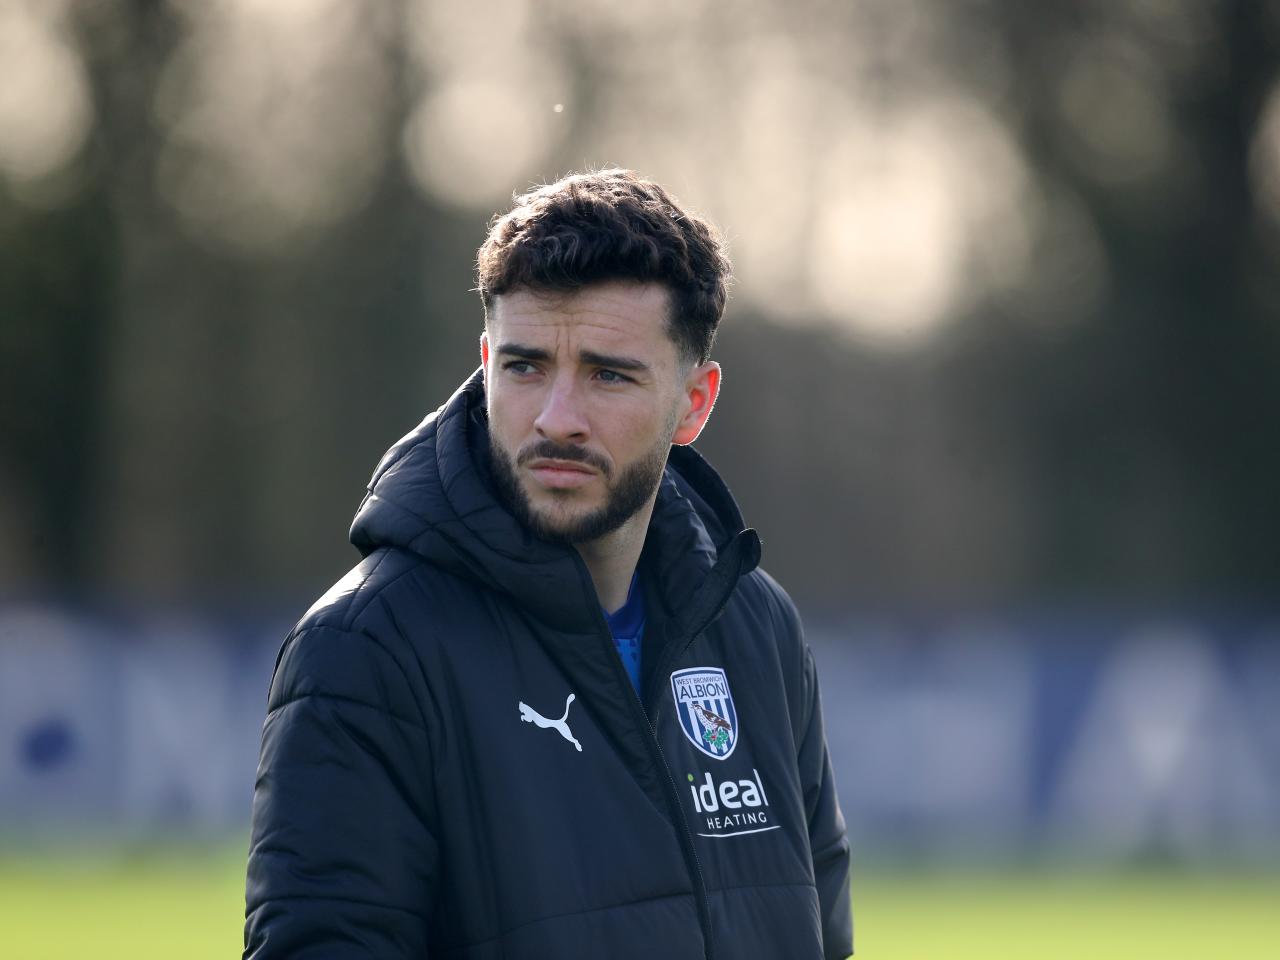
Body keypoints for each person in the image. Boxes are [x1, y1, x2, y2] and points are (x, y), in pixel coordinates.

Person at [243, 169, 852, 959]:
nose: (557, 418)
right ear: (486, 361)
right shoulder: (368, 651)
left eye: (608, 374)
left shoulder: (756, 628)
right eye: (526, 367)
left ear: (694, 403)